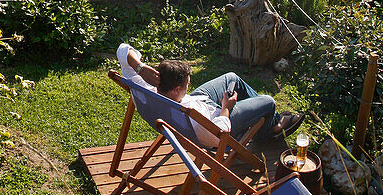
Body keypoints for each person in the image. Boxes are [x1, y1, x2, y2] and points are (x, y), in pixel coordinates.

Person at [117, 45, 304, 146]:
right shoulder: (197, 121)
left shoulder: (144, 86)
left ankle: (269, 122)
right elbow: (218, 135)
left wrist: (140, 68)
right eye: (186, 83)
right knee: (269, 102)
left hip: (193, 103)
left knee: (232, 78)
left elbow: (123, 49)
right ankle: (269, 130)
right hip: (214, 120)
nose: (189, 84)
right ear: (175, 89)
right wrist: (226, 109)